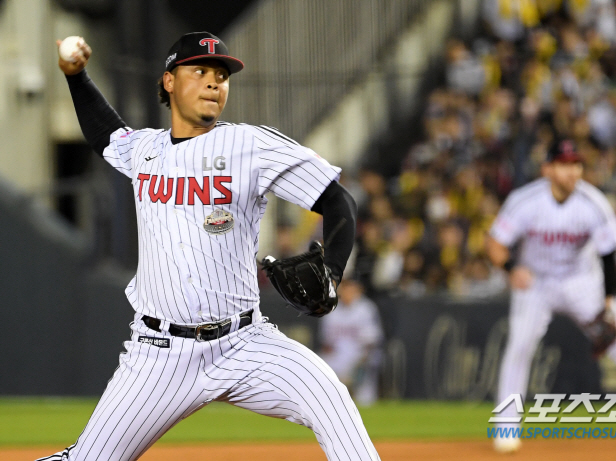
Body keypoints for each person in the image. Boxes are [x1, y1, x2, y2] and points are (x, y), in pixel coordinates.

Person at [39, 32, 380, 461]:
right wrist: (76, 76)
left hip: (245, 342)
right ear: (168, 81)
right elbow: (105, 134)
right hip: (159, 355)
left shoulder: (250, 145)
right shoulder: (145, 150)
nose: (214, 82)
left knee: (329, 397)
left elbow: (336, 200)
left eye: (221, 75)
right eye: (199, 71)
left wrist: (331, 270)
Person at [485, 139, 616, 454]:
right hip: (537, 283)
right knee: (519, 346)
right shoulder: (525, 200)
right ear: (547, 169)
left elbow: (610, 255)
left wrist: (608, 303)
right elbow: (495, 242)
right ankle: (506, 427)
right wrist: (510, 268)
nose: (571, 171)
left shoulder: (592, 202)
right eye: (563, 164)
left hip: (582, 283)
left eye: (576, 164)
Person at [320, 277, 384, 406]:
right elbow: (326, 344)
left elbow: (371, 343)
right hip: (338, 357)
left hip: (360, 357)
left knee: (364, 401)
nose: (347, 292)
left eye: (351, 289)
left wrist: (356, 369)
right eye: (345, 289)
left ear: (358, 291)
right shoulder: (331, 309)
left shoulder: (365, 308)